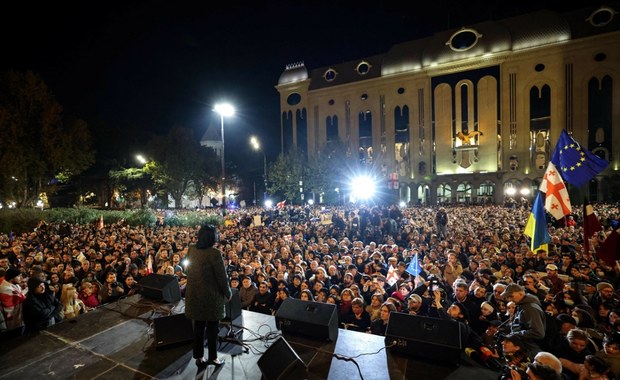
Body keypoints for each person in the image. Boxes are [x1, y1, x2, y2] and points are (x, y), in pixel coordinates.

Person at [184, 224, 232, 368]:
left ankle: (199, 357)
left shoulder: (191, 249)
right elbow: (222, 278)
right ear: (213, 237)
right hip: (211, 297)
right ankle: (213, 358)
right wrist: (228, 293)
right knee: (212, 328)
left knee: (198, 327)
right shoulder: (214, 253)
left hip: (195, 295)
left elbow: (187, 270)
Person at [501, 283, 546, 357]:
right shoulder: (522, 305)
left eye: (511, 296)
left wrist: (515, 334)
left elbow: (538, 333)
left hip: (531, 349)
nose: (510, 299)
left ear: (521, 293)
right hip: (525, 346)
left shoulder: (530, 308)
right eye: (508, 297)